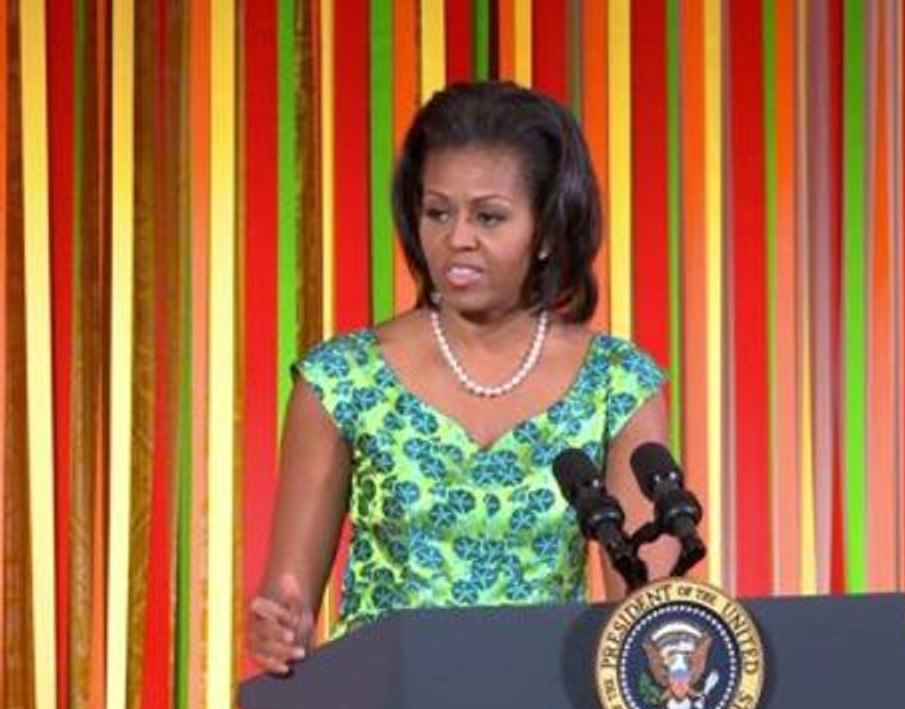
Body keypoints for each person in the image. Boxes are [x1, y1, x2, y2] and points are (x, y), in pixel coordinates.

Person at [246, 81, 677, 675]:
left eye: (489, 216)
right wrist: (276, 633)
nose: (457, 239)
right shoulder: (341, 381)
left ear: (548, 231)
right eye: (437, 212)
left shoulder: (616, 384)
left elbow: (650, 618)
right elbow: (284, 609)